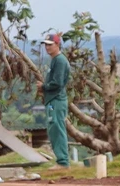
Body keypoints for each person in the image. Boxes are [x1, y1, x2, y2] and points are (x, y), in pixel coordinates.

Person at [38, 33, 71, 168]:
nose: (47, 47)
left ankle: (63, 162)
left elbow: (57, 83)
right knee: (53, 128)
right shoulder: (55, 60)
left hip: (56, 100)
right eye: (45, 45)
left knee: (57, 128)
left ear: (57, 45)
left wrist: (43, 86)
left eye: (50, 45)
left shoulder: (60, 60)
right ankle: (61, 160)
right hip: (52, 101)